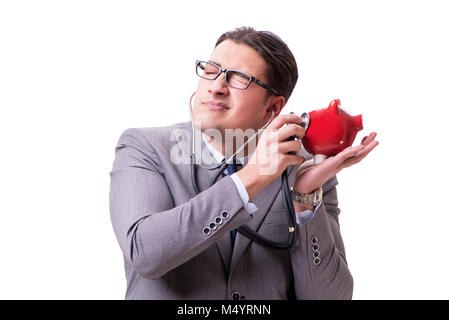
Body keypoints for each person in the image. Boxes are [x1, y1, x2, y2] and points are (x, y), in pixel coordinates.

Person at [109, 26, 379, 300]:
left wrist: (304, 200)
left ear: (272, 108)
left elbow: (330, 297)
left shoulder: (303, 169)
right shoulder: (144, 147)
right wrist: (251, 178)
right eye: (211, 70)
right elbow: (144, 253)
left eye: (239, 78)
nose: (216, 87)